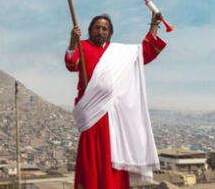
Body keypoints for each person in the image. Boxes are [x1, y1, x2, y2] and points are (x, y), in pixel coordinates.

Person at [65, 13, 166, 189]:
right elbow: (71, 64)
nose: (100, 31)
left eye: (105, 29)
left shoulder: (118, 53)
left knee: (113, 155)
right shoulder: (82, 46)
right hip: (91, 113)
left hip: (112, 114)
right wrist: (73, 40)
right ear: (90, 30)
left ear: (109, 33)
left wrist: (154, 24)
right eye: (97, 27)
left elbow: (144, 52)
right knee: (90, 159)